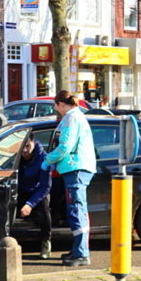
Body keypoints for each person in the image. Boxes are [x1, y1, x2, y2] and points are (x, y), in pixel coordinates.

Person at [43, 90, 96, 266]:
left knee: (76, 211)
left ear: (60, 104)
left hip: (76, 168)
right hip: (78, 168)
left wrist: (47, 160)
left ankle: (81, 254)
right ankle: (78, 250)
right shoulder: (76, 116)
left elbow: (65, 146)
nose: (56, 109)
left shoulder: (71, 118)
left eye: (56, 106)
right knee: (78, 210)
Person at [17, 139, 53, 259]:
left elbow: (45, 187)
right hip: (20, 189)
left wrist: (30, 204)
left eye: (28, 146)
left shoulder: (44, 159)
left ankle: (45, 241)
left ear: (35, 143)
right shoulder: (15, 155)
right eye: (22, 147)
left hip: (38, 190)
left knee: (44, 209)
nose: (25, 150)